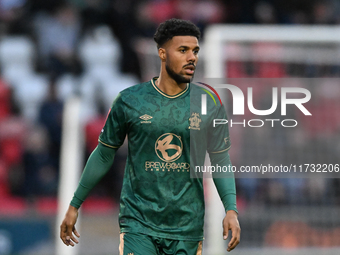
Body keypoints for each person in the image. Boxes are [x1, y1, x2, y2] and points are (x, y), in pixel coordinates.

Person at [60, 18, 240, 254]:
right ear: (163, 54)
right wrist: (75, 204)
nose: (192, 57)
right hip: (138, 223)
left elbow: (220, 160)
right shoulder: (130, 100)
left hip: (187, 226)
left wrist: (231, 209)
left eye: (195, 51)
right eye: (183, 50)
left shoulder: (208, 102)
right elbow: (104, 154)